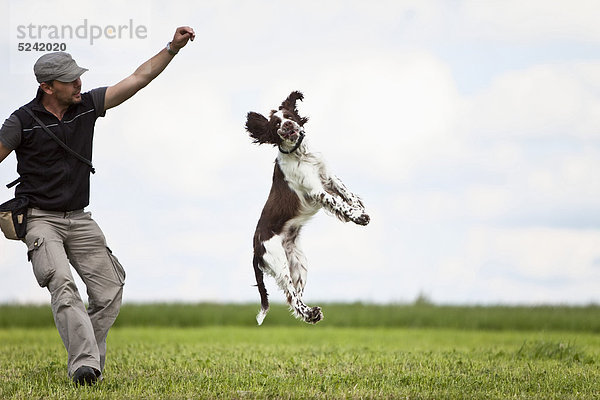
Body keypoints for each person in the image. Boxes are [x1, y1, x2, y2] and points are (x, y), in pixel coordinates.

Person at [0, 26, 195, 386]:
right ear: (48, 87)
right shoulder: (22, 122)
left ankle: (83, 352)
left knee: (110, 289)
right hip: (41, 221)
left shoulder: (87, 105)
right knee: (62, 284)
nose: (78, 84)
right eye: (70, 80)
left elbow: (137, 79)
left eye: (78, 78)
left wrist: (172, 48)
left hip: (79, 219)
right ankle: (85, 367)